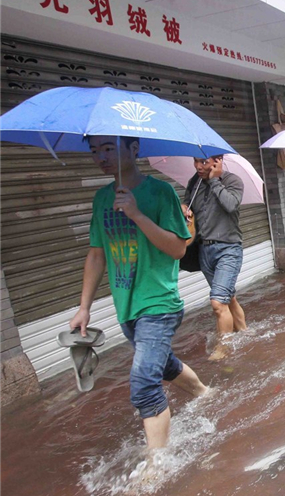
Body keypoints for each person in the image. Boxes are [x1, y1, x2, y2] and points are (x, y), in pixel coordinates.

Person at [69, 135, 209, 455]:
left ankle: (156, 466)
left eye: (108, 148)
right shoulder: (102, 198)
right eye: (94, 151)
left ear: (133, 150)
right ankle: (203, 392)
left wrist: (137, 214)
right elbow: (96, 255)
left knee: (145, 382)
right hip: (126, 306)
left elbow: (177, 248)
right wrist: (84, 307)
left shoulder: (160, 193)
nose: (101, 157)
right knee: (163, 365)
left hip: (159, 303)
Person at [183, 155, 247, 361]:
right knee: (229, 297)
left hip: (228, 249)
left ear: (218, 161)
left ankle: (224, 350)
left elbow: (231, 205)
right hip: (204, 250)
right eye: (196, 161)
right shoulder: (194, 182)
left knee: (218, 303)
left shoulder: (233, 181)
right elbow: (187, 207)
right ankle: (245, 333)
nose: (198, 166)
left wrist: (214, 180)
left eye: (204, 162)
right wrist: (184, 210)